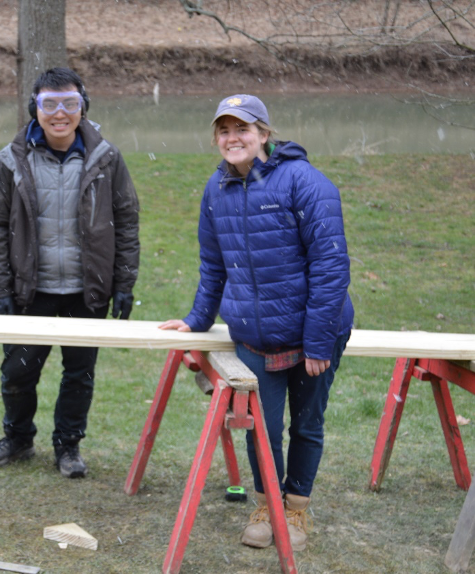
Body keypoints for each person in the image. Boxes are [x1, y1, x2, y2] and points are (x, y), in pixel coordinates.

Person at [159, 94, 354, 550]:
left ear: (264, 134)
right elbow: (213, 264)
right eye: (224, 131)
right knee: (261, 428)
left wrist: (319, 342)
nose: (233, 138)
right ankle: (267, 504)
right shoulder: (216, 189)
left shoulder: (304, 182)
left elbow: (330, 267)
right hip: (253, 336)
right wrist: (197, 319)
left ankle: (297, 510)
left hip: (314, 334)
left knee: (306, 424)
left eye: (243, 129)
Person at [0, 67, 140, 478]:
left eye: (70, 103)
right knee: (18, 372)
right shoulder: (10, 160)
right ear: (35, 108)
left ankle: (68, 446)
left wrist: (123, 283)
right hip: (30, 290)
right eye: (50, 104)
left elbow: (127, 219)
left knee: (79, 374)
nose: (60, 113)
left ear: (84, 107)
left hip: (88, 291)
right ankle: (17, 438)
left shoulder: (107, 158)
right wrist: (1, 290)